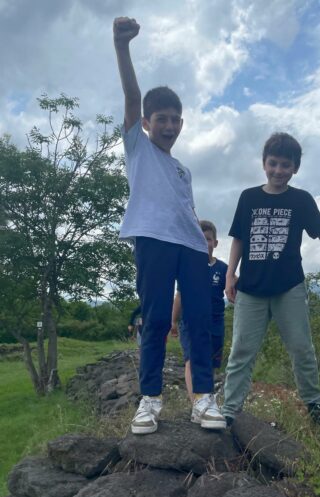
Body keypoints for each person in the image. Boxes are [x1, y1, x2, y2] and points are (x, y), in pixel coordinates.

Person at [113, 16, 225, 434]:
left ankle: (203, 399)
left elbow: (187, 211)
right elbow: (131, 96)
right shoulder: (138, 149)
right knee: (157, 319)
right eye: (162, 118)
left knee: (199, 320)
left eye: (176, 119)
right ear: (146, 123)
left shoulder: (183, 170)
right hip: (153, 240)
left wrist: (205, 243)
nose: (170, 126)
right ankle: (150, 401)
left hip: (192, 247)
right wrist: (122, 46)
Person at [222, 132, 320, 426]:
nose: (278, 171)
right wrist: (230, 274)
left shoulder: (301, 200)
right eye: (273, 163)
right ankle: (229, 412)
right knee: (241, 351)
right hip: (251, 288)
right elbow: (239, 239)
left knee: (301, 348)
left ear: (295, 168)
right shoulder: (248, 197)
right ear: (264, 163)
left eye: (286, 165)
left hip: (289, 287)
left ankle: (315, 406)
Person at [170, 220, 228, 402]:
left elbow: (233, 288)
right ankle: (196, 402)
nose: (204, 243)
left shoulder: (223, 269)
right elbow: (179, 296)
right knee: (192, 360)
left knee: (210, 363)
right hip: (190, 322)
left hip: (215, 323)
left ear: (215, 243)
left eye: (208, 239)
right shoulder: (187, 269)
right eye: (199, 239)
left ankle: (206, 398)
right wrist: (173, 321)